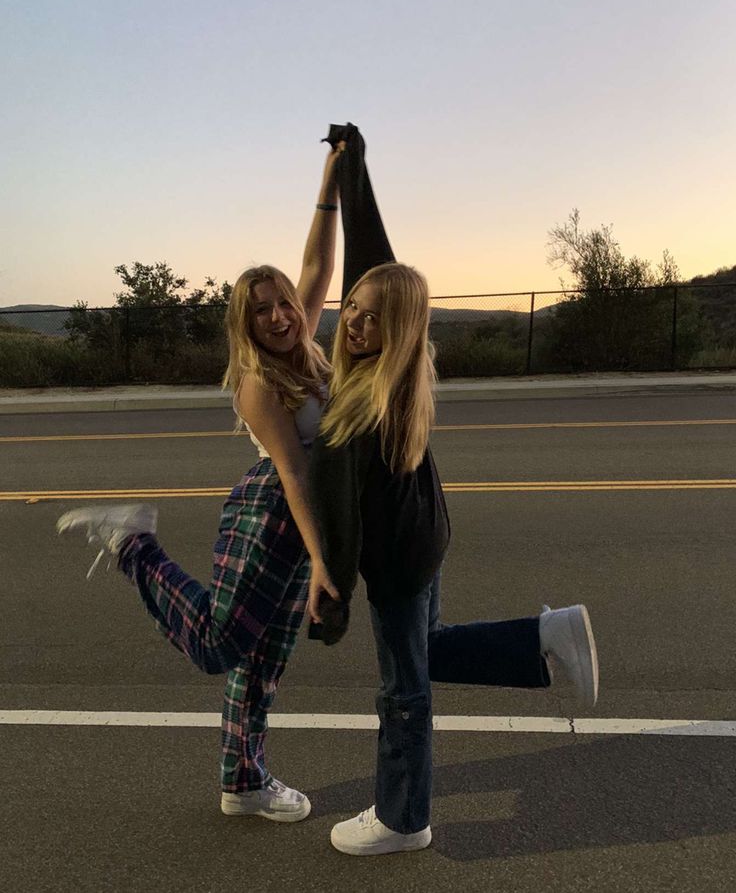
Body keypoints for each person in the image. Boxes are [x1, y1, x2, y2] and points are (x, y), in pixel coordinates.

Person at [306, 124, 599, 856]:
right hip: (424, 539)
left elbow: (341, 522)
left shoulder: (371, 398)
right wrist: (351, 173)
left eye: (374, 316)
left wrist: (331, 599)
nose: (357, 321)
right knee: (427, 651)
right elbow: (373, 262)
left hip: (401, 562)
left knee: (402, 692)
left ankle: (404, 818)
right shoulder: (395, 373)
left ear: (398, 331)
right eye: (357, 309)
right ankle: (543, 634)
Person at [56, 138, 345, 823]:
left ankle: (242, 780)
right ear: (245, 323)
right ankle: (136, 547)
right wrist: (323, 560)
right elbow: (296, 470)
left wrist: (330, 176)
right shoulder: (256, 381)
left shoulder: (306, 345)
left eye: (282, 302)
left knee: (263, 658)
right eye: (261, 309)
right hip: (273, 509)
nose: (278, 314)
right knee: (222, 643)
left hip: (296, 516)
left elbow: (317, 263)